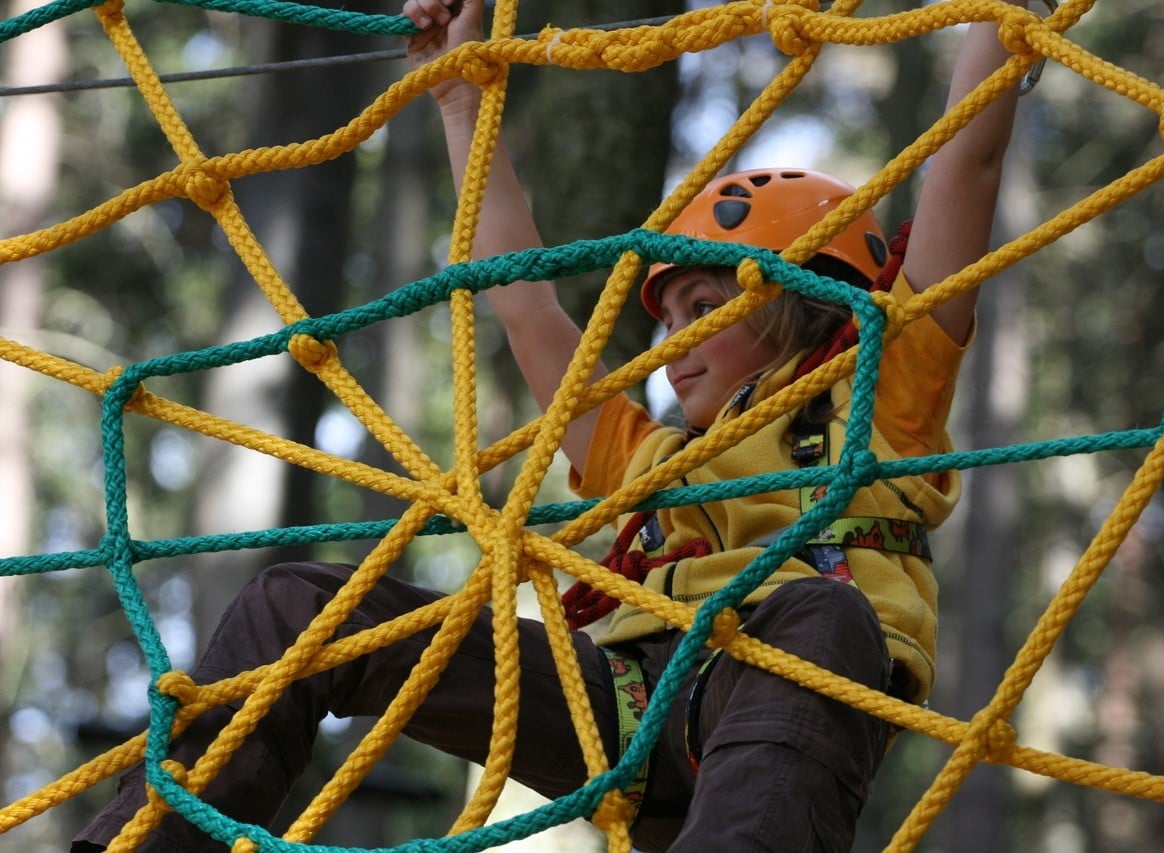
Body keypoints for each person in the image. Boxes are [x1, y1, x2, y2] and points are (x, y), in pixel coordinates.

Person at [74, 0, 1024, 849]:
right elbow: (525, 304)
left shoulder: (881, 391)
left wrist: (998, 17)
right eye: (663, 318)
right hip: (615, 704)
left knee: (821, 607)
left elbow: (966, 166)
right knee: (299, 601)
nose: (674, 344)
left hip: (780, 702)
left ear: (807, 308)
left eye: (704, 309)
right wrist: (459, 101)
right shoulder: (643, 458)